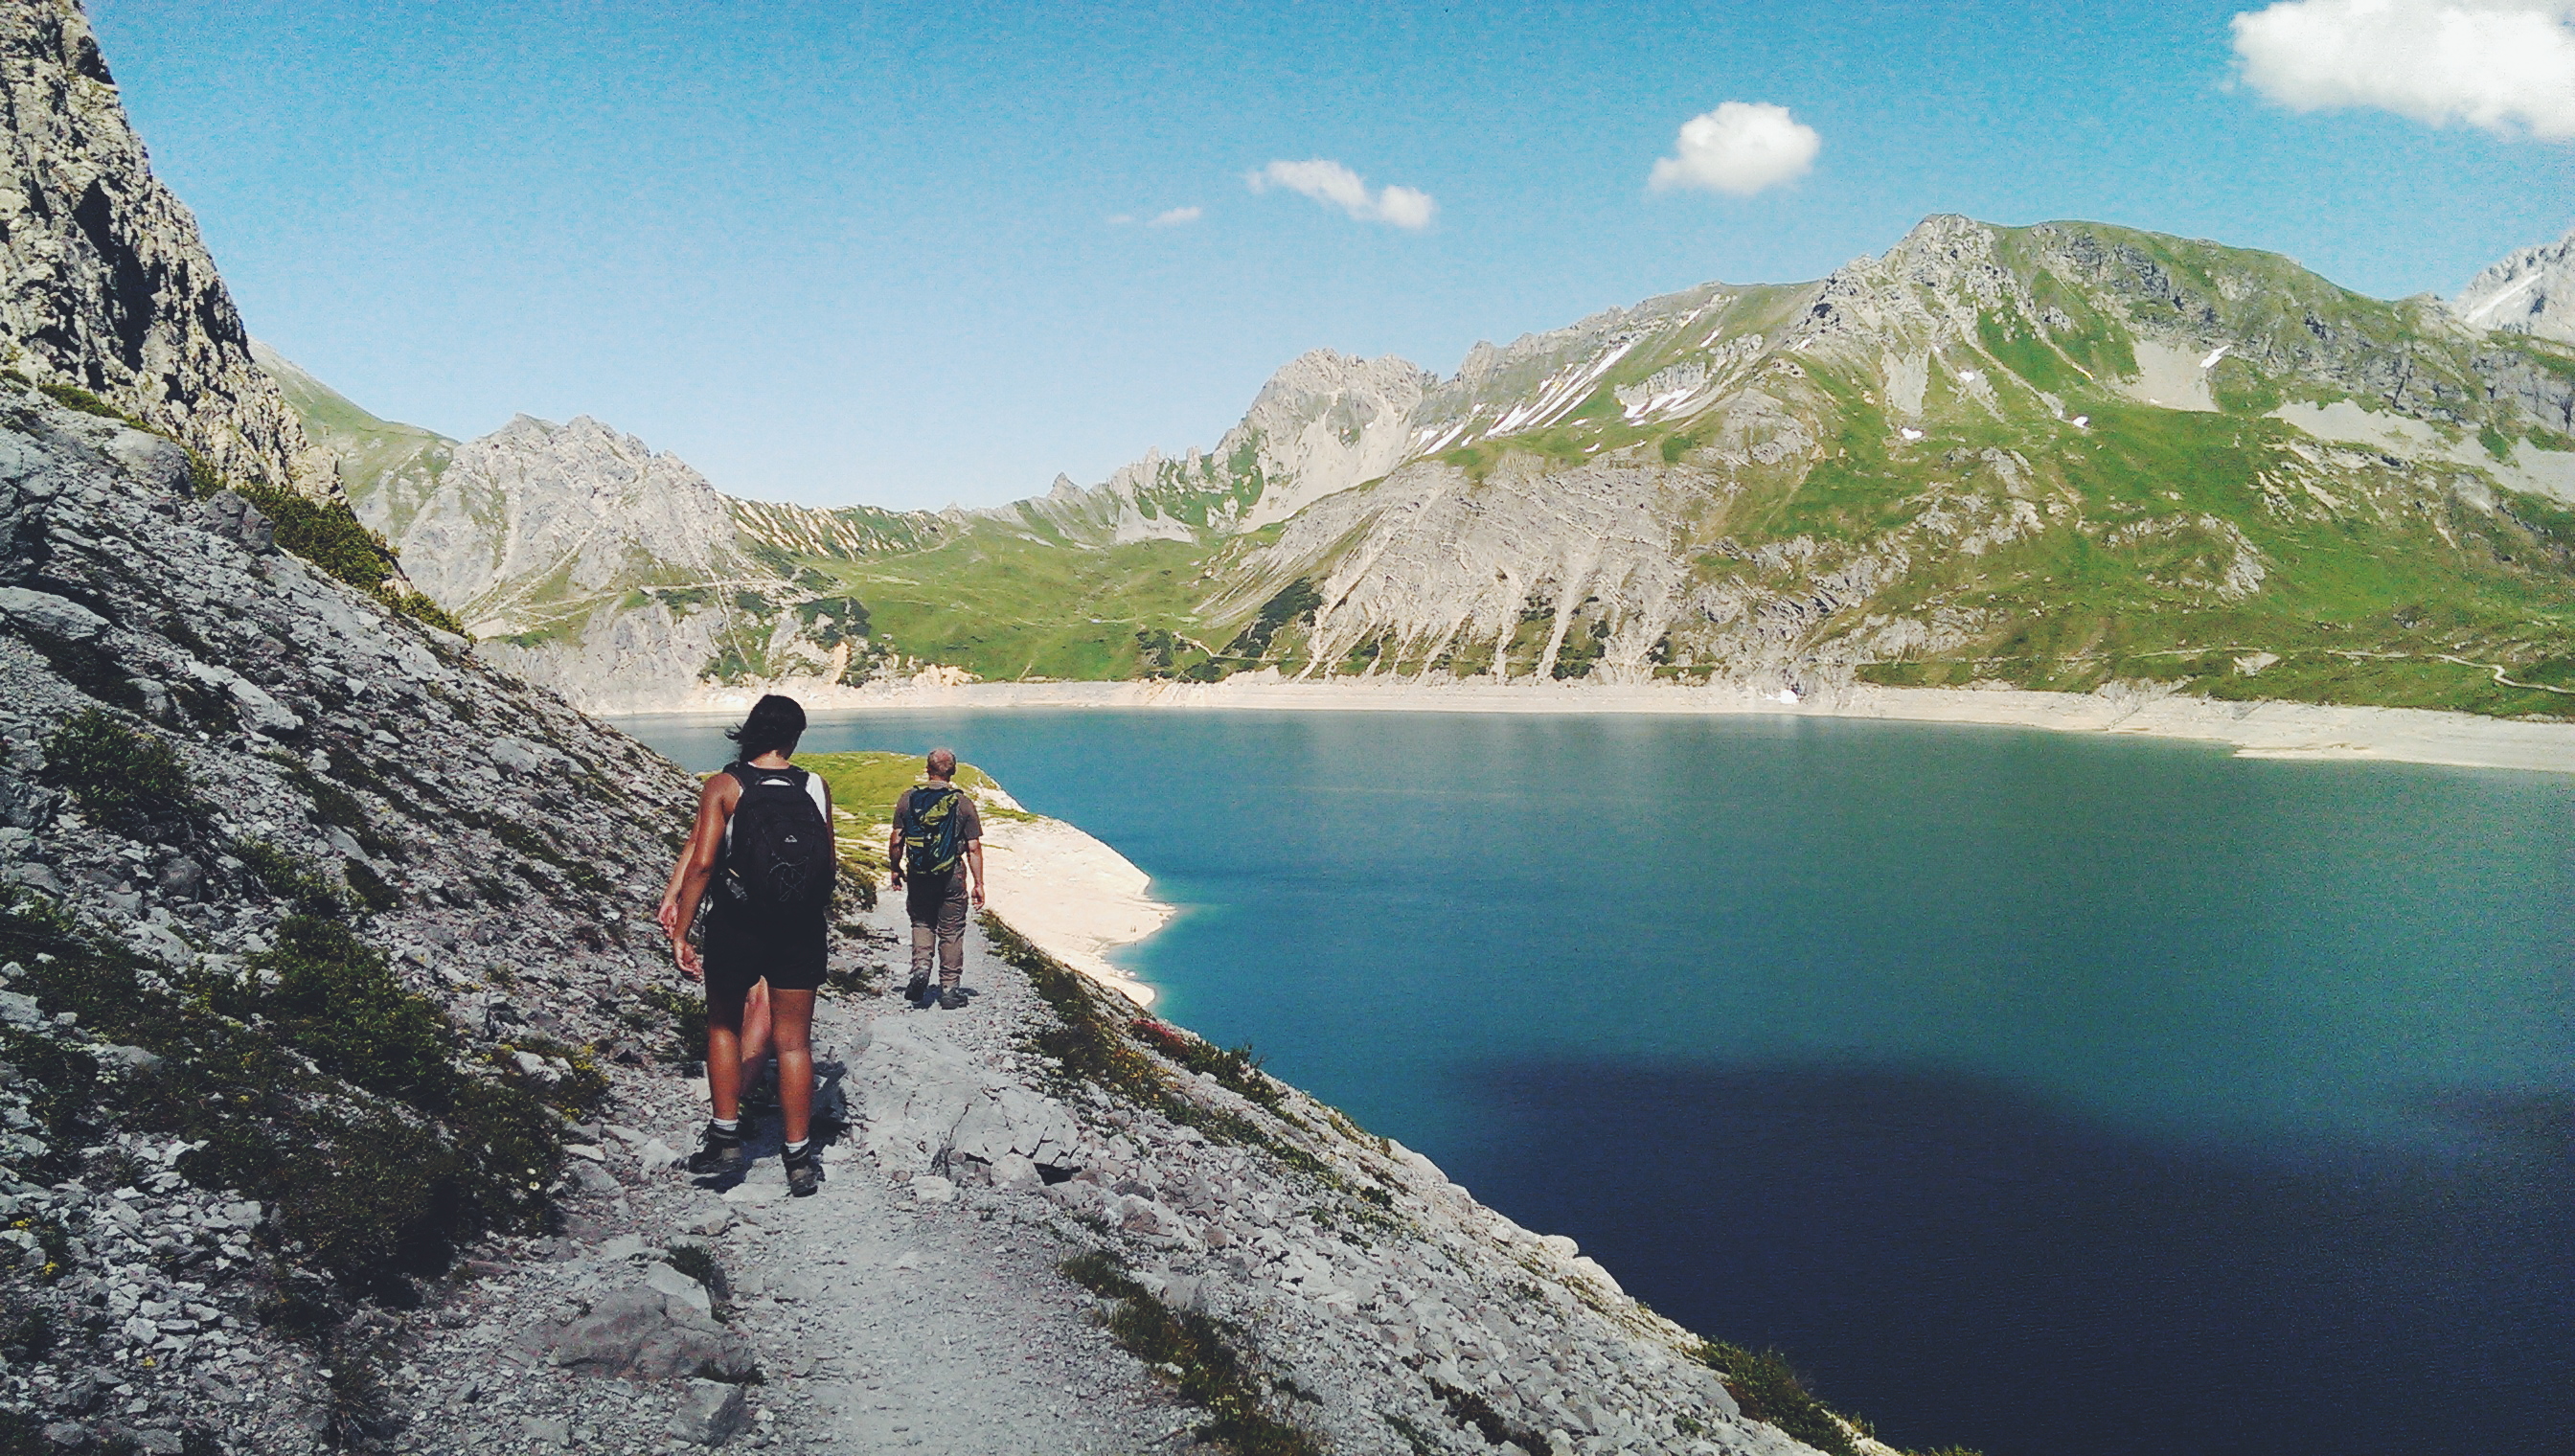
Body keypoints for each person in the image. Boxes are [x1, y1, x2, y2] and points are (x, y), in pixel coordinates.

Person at [664, 694, 835, 1196]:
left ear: (751, 731)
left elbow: (702, 863)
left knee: (723, 1026)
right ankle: (799, 1159)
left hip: (737, 925)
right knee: (794, 1042)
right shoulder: (815, 785)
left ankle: (725, 1139)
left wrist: (682, 929)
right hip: (800, 928)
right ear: (794, 737)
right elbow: (828, 863)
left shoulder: (724, 785)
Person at [887, 747, 985, 1011]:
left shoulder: (908, 799)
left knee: (922, 922)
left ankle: (921, 968)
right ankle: (950, 990)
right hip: (952, 873)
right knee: (951, 930)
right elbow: (974, 847)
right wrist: (978, 884)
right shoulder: (963, 803)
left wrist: (895, 868)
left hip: (919, 873)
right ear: (953, 771)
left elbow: (896, 840)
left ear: (927, 769)